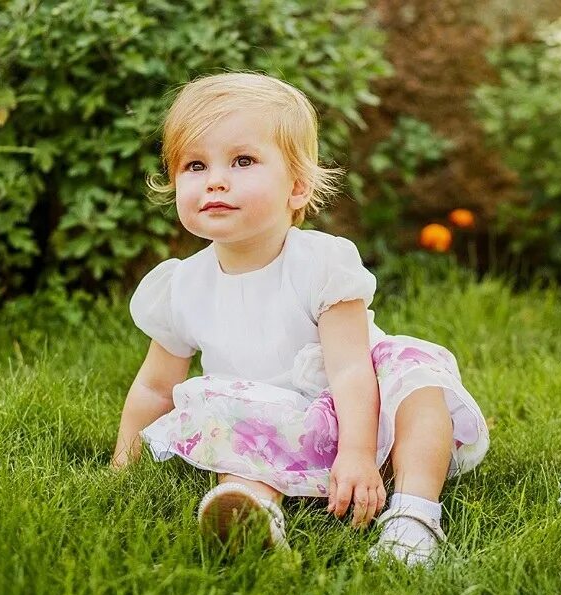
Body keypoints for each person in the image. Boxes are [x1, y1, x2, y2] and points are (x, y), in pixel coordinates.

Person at [112, 71, 489, 567]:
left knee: (416, 380)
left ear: (297, 187)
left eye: (243, 160)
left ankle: (413, 516)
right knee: (236, 431)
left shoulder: (321, 264)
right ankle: (251, 511)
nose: (216, 180)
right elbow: (155, 389)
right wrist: (123, 464)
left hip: (362, 412)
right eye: (195, 165)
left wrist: (356, 453)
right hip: (276, 425)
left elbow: (352, 370)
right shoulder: (181, 286)